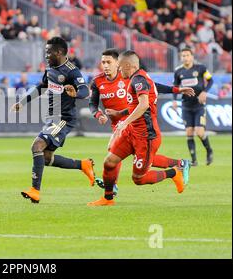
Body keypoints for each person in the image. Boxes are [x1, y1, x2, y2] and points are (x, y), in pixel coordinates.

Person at [88, 51, 190, 206]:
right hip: (132, 131)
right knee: (109, 161)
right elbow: (136, 105)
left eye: (121, 68)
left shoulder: (138, 80)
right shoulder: (138, 78)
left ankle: (174, 172)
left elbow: (143, 106)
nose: (119, 72)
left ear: (129, 66)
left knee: (138, 179)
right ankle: (108, 199)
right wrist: (120, 114)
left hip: (146, 136)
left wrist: (124, 122)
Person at [11, 37, 95, 204]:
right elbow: (42, 86)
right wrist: (23, 102)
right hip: (52, 118)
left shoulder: (72, 71)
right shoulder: (50, 69)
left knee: (37, 146)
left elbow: (85, 91)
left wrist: (75, 94)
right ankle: (83, 165)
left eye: (48, 52)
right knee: (46, 157)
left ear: (59, 52)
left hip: (64, 118)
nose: (46, 55)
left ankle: (35, 191)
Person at [173, 48, 214, 166]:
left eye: (187, 55)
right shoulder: (178, 71)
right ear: (181, 58)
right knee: (189, 132)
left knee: (200, 132)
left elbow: (210, 80)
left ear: (192, 56)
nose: (185, 57)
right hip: (186, 105)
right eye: (183, 56)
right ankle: (194, 160)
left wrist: (204, 92)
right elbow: (175, 87)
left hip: (199, 105)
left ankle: (209, 150)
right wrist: (174, 101)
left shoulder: (201, 68)